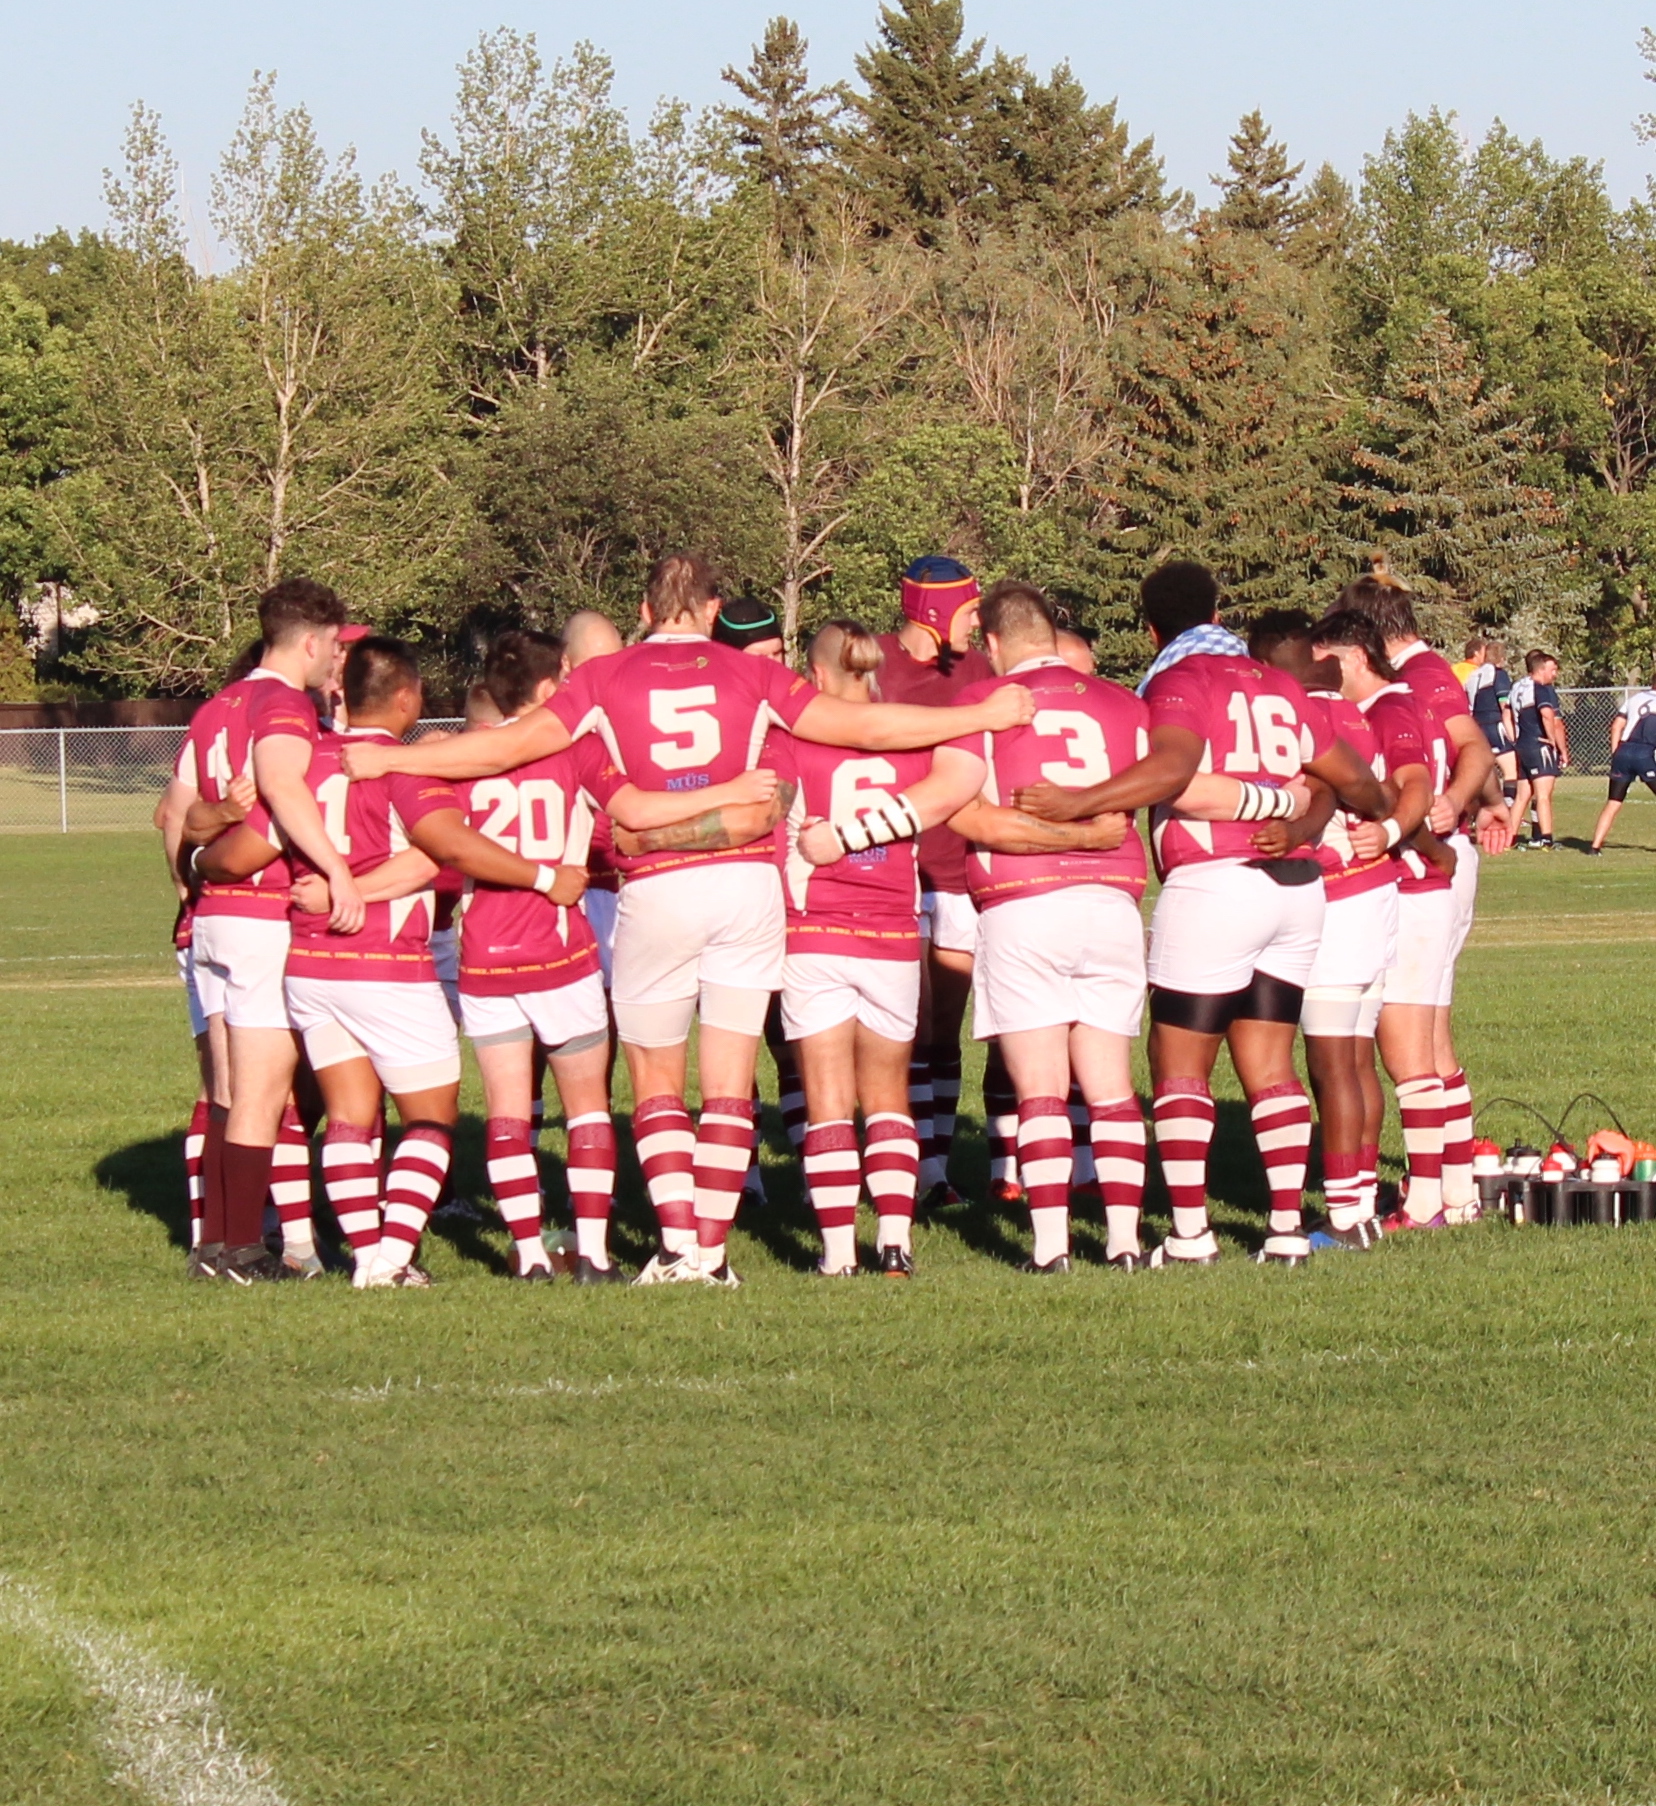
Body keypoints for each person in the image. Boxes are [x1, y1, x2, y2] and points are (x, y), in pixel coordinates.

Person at [340, 552, 1036, 1287]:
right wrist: (978, 714)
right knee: (730, 1079)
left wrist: (395, 762)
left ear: (644, 613)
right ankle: (713, 1250)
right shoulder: (752, 673)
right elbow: (860, 726)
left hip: (660, 885)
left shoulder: (604, 678)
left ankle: (677, 1246)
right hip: (746, 885)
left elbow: (508, 744)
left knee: (657, 1079)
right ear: (711, 612)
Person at [1011, 561, 1388, 1265]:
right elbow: (1361, 785)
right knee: (1271, 1063)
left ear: (1152, 628)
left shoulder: (1177, 679)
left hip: (1216, 881)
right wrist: (1312, 821)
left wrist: (1079, 802)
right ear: (1219, 614)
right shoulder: (1278, 682)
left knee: (1179, 1063)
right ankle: (1284, 1230)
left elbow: (1172, 771)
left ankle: (1190, 1234)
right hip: (1297, 891)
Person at [935, 582, 1152, 1272]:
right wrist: (1092, 837)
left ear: (994, 642)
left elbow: (972, 817)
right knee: (1111, 1086)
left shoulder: (980, 702)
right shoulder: (1125, 703)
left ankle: (1053, 1245)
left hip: (1024, 902)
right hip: (1112, 903)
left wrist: (1063, 837)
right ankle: (1124, 1240)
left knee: (1041, 1090)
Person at [174, 579, 365, 1283]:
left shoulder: (215, 707)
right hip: (260, 913)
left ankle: (214, 1248)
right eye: (333, 646)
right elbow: (283, 787)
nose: (335, 659)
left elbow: (181, 814)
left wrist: (190, 880)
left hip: (214, 915)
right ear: (311, 642)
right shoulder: (283, 703)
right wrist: (337, 870)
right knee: (261, 1093)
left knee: (228, 1094)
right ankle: (242, 1251)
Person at [1298, 611, 1439, 1244]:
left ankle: (1348, 1213)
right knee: (1355, 1056)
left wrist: (1393, 833)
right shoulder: (1359, 713)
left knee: (1336, 1061)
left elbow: (1406, 786)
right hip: (1376, 889)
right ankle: (1358, 1202)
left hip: (1348, 892)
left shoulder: (1349, 713)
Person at [874, 556, 995, 1212]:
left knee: (944, 1028)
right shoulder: (877, 668)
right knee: (906, 1029)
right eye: (968, 610)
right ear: (933, 611)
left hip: (956, 871)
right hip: (892, 872)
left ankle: (936, 1168)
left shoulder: (977, 671)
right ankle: (905, 1164)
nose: (976, 622)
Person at [1587, 678, 1656, 854]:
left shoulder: (1634, 699)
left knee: (1613, 802)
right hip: (1644, 753)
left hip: (1622, 752)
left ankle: (1595, 847)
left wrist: (1615, 753)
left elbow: (1616, 726)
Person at [1510, 650, 1568, 849]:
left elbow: (1507, 714)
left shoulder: (1517, 687)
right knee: (1543, 795)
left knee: (1521, 797)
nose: (1555, 674)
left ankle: (1510, 839)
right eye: (1552, 670)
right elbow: (1547, 715)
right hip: (1538, 745)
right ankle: (1547, 839)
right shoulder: (1540, 688)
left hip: (1522, 745)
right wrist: (1553, 741)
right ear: (1541, 669)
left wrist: (1514, 738)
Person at [1462, 637, 1518, 823]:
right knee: (1511, 771)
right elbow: (1504, 705)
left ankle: (1473, 814)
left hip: (1477, 727)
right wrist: (1513, 731)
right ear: (1501, 657)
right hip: (1494, 724)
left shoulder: (1473, 675)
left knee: (1485, 775)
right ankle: (1507, 811)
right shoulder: (1498, 674)